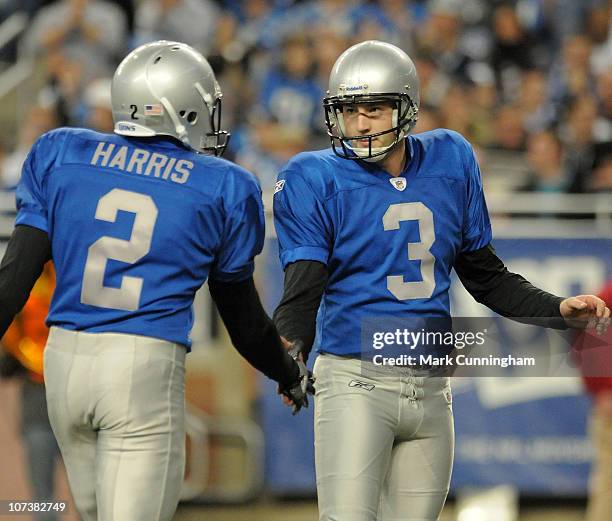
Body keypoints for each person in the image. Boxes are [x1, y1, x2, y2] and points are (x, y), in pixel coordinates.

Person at [272, 40, 610, 521]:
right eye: (349, 111)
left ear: (406, 108)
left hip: (432, 390)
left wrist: (556, 309)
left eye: (374, 108)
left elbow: (486, 277)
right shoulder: (314, 175)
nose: (361, 123)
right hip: (355, 381)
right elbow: (302, 288)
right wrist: (289, 352)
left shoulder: (450, 158)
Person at [0, 40, 312, 521]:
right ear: (182, 107)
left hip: (62, 365)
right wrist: (287, 372)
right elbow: (243, 319)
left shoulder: (62, 152)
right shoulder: (223, 184)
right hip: (140, 365)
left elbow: (13, 280)